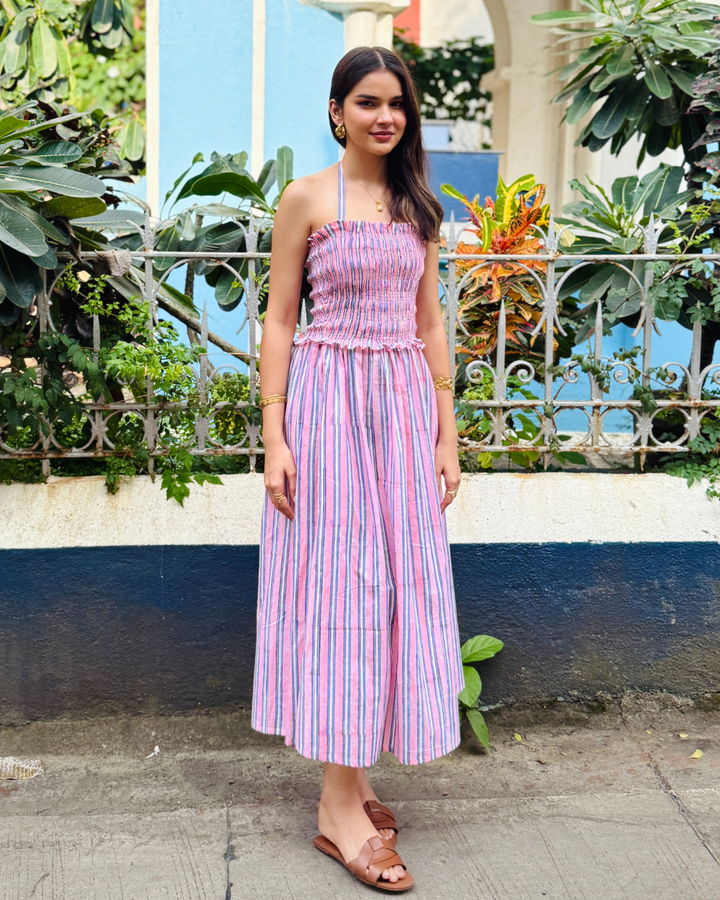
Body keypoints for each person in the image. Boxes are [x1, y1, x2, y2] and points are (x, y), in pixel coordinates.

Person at [252, 45, 464, 893]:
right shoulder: (305, 199)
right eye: (369, 102)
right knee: (344, 587)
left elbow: (431, 325)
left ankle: (358, 780)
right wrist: (274, 435)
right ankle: (338, 812)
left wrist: (448, 434)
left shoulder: (417, 206)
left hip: (404, 412)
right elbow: (277, 320)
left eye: (398, 104)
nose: (385, 117)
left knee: (395, 586)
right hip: (329, 408)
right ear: (337, 108)